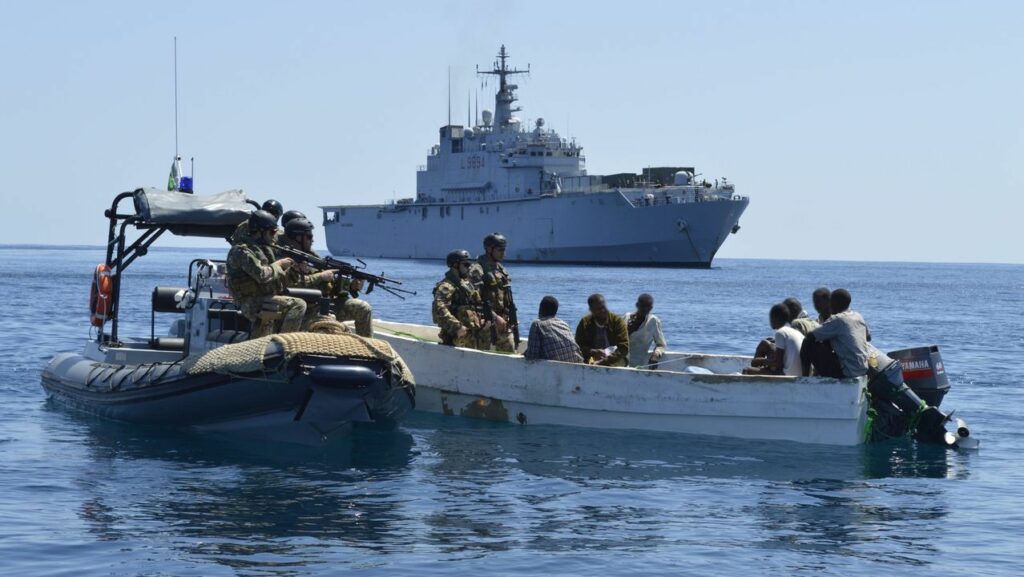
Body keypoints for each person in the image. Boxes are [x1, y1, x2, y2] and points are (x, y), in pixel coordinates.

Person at [805, 288, 948, 442]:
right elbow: (868, 337)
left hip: (876, 373)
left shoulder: (836, 320)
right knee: (907, 406)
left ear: (833, 304)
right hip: (886, 366)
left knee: (897, 407)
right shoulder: (857, 316)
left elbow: (811, 338)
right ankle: (926, 422)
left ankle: (922, 422)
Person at [281, 217, 374, 337]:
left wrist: (351, 286)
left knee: (363, 308)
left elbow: (328, 286)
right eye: (309, 236)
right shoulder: (285, 259)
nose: (313, 240)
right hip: (303, 310)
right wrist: (320, 276)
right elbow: (289, 286)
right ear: (298, 237)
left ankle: (367, 349)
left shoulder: (312, 258)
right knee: (329, 323)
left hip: (323, 305)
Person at [225, 210, 305, 338]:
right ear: (261, 231)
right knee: (298, 305)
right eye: (272, 232)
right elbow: (261, 275)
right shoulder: (241, 251)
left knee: (261, 337)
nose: (274, 237)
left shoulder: (260, 250)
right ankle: (284, 345)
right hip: (250, 302)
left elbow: (274, 280)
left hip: (263, 299)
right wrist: (279, 265)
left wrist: (294, 270)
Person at [432, 250, 490, 349]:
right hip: (459, 337)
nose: (469, 268)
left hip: (475, 335)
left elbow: (477, 304)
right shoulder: (447, 286)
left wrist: (484, 319)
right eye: (466, 264)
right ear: (455, 265)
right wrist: (457, 327)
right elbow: (438, 310)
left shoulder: (466, 284)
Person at [475, 232, 516, 352]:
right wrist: (495, 317)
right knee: (482, 358)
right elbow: (475, 300)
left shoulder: (501, 269)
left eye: (504, 250)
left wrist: (510, 317)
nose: (503, 253)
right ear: (489, 249)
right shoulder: (478, 269)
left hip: (503, 322)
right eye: (500, 250)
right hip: (486, 323)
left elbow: (506, 297)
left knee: (510, 353)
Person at [744, 303, 804, 376]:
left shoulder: (780, 332)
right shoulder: (796, 332)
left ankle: (756, 378)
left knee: (746, 370)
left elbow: (778, 364)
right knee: (765, 343)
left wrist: (760, 361)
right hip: (800, 374)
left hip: (786, 374)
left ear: (775, 317)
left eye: (770, 317)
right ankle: (759, 372)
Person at [524, 296, 584, 363]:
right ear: (556, 311)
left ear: (540, 308)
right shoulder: (563, 324)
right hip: (576, 364)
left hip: (555, 368)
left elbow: (532, 357)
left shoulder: (537, 324)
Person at [575, 294, 629, 367]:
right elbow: (577, 346)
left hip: (614, 359)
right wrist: (593, 351)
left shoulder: (617, 321)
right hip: (592, 358)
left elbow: (624, 348)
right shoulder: (585, 322)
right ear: (591, 310)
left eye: (604, 307)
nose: (603, 311)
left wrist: (603, 361)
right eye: (599, 309)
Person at [624, 293, 667, 369]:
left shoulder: (653, 321)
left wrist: (655, 355)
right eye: (643, 306)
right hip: (621, 362)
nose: (645, 309)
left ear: (651, 308)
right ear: (637, 305)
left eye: (648, 307)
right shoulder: (626, 318)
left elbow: (661, 345)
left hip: (638, 365)